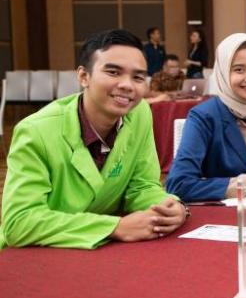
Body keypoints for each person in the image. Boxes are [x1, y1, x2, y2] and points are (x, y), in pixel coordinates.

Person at [0, 29, 188, 249]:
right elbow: (19, 222)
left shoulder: (139, 113)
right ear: (83, 76)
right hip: (38, 253)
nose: (127, 85)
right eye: (113, 72)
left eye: (137, 77)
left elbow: (142, 186)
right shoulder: (35, 131)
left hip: (103, 252)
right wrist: (115, 227)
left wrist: (171, 207)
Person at [166, 33, 246, 201]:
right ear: (222, 74)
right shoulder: (204, 117)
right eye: (239, 70)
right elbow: (178, 185)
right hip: (220, 214)